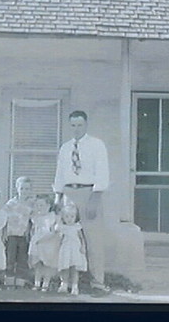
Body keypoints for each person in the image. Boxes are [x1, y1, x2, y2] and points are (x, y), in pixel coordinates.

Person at [53, 110, 110, 291]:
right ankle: (66, 281)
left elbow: (102, 173)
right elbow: (60, 174)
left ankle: (97, 282)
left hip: (88, 193)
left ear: (86, 125)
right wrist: (57, 197)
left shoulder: (96, 145)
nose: (76, 129)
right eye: (73, 125)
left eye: (79, 125)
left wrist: (95, 198)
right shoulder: (65, 148)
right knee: (67, 237)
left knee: (93, 240)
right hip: (69, 193)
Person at [4, 176, 34, 283]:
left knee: (22, 258)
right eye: (22, 188)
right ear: (17, 188)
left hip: (23, 235)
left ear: (30, 190)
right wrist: (4, 233)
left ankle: (20, 281)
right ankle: (9, 280)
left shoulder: (31, 204)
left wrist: (30, 233)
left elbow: (32, 220)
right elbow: (4, 219)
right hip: (11, 234)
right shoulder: (11, 203)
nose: (24, 191)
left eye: (27, 189)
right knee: (10, 258)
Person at [28, 194, 60, 291]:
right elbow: (33, 230)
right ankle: (37, 283)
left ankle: (46, 283)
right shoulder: (35, 217)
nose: (39, 208)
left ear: (48, 206)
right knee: (38, 264)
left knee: (47, 264)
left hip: (47, 242)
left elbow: (54, 232)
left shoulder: (52, 217)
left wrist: (45, 239)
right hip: (37, 242)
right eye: (37, 205)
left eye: (41, 205)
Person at [56, 205, 87, 295]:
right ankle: (64, 284)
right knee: (64, 268)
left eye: (72, 216)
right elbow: (58, 237)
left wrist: (83, 247)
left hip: (75, 249)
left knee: (74, 268)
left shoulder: (77, 227)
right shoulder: (62, 227)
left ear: (76, 217)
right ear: (63, 217)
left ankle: (74, 286)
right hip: (65, 249)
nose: (69, 219)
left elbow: (81, 238)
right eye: (67, 216)